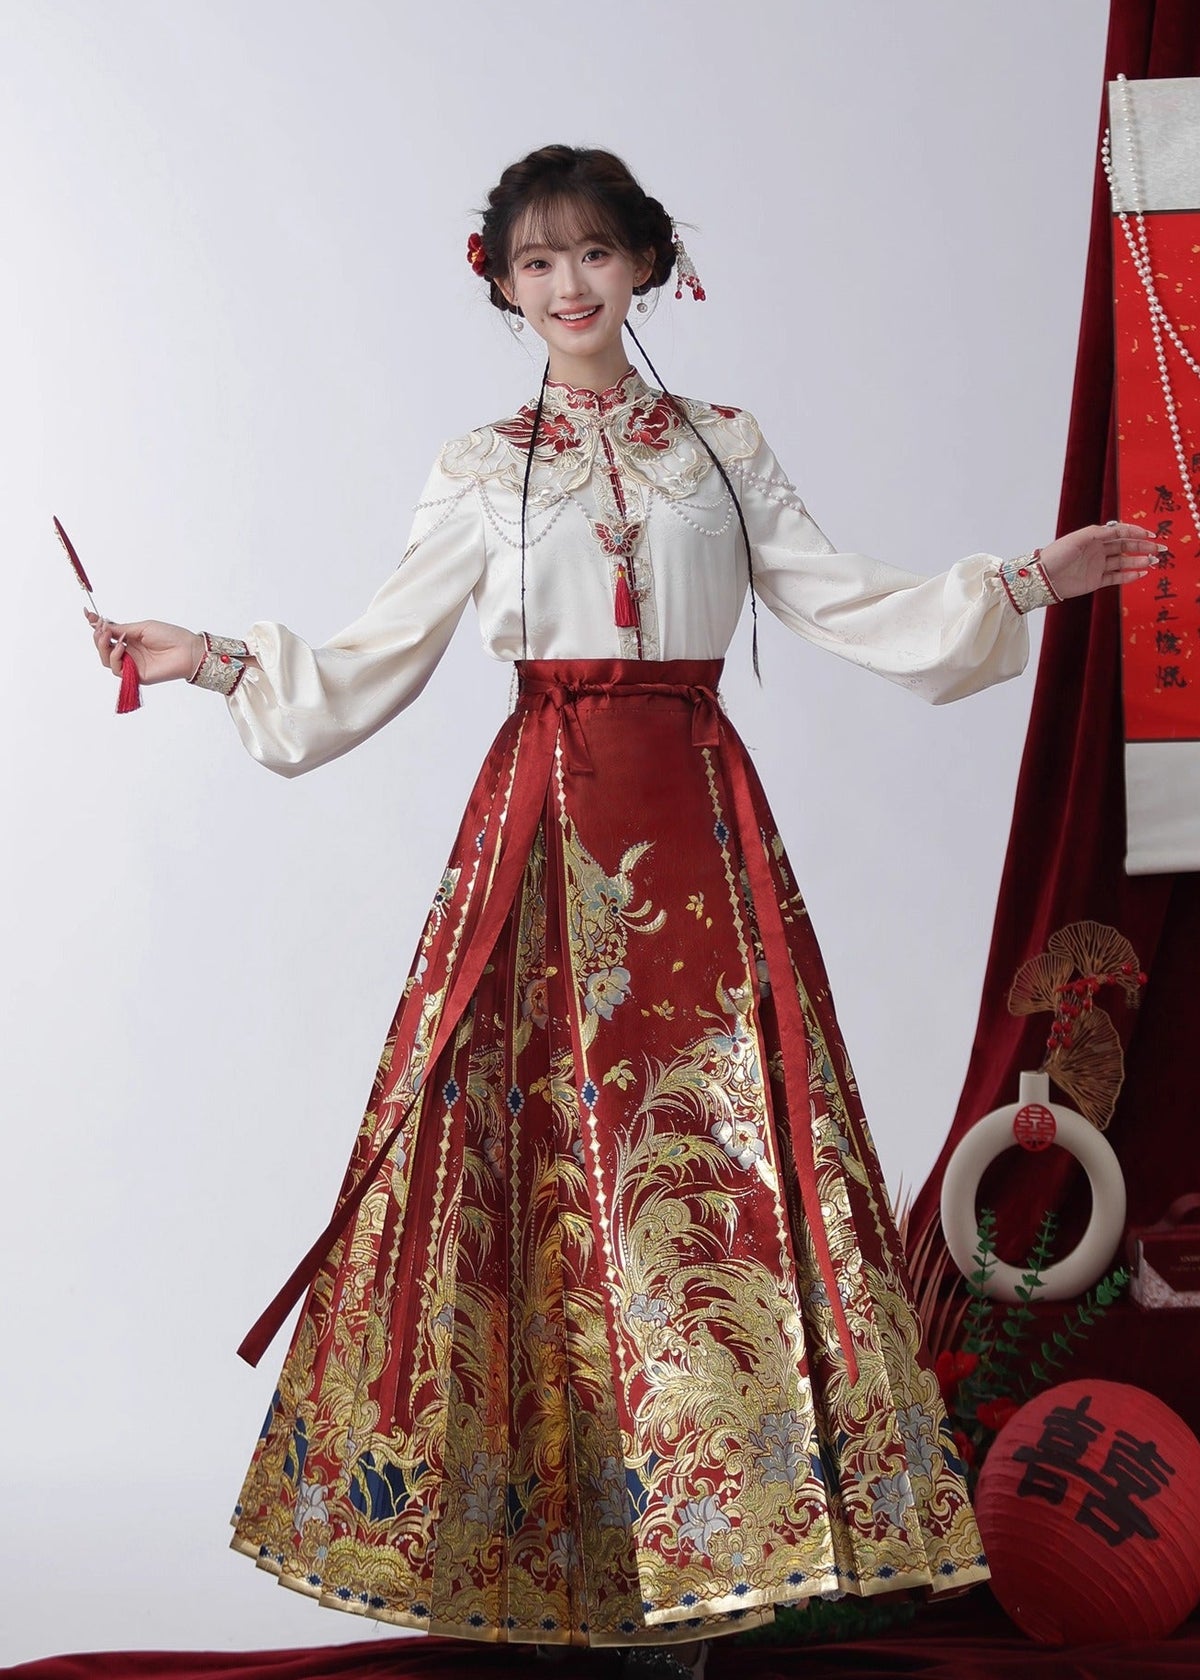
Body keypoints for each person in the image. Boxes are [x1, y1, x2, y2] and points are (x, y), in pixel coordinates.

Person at [87, 145, 1156, 1675]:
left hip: (702, 841)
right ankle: (541, 1545)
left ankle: (716, 1556)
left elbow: (846, 598)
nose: (569, 284)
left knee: (717, 1179)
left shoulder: (721, 446)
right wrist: (203, 657)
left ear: (649, 264)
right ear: (504, 286)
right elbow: (374, 657)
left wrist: (1031, 581)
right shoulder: (480, 465)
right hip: (539, 838)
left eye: (594, 252)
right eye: (537, 262)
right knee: (530, 1170)